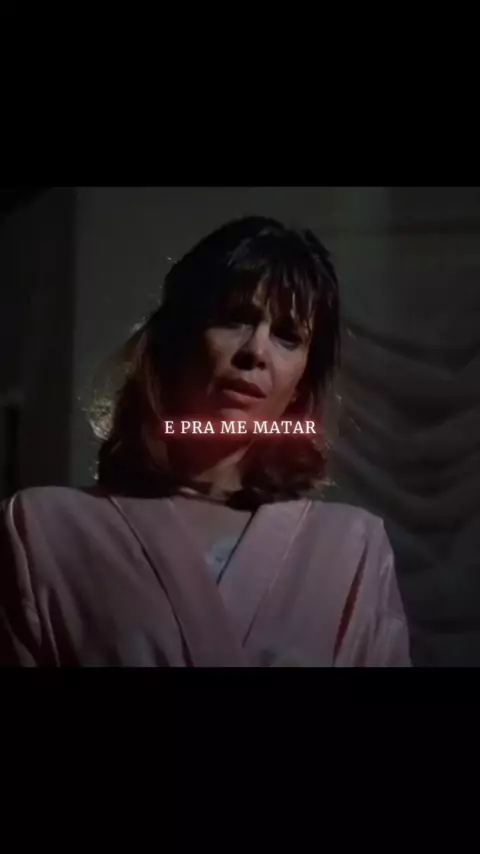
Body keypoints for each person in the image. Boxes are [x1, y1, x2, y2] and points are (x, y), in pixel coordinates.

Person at [0, 216, 410, 666]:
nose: (256, 351)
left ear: (301, 385)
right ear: (177, 338)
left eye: (287, 337)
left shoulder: (351, 549)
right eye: (235, 319)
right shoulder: (44, 531)